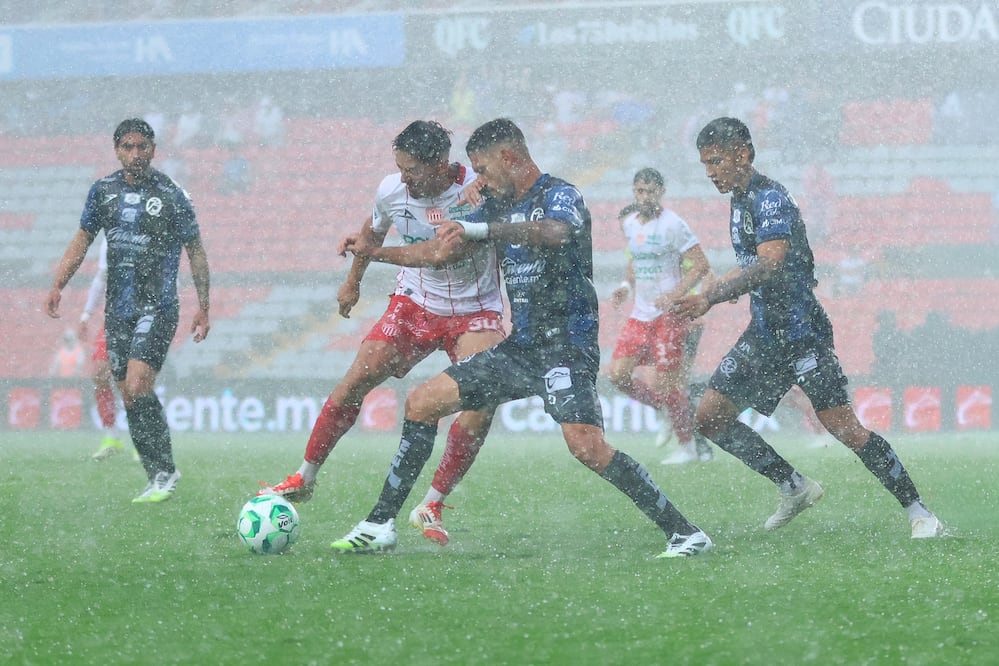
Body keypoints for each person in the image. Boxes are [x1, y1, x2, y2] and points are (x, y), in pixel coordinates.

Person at [330, 118, 712, 559]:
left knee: (587, 447)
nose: (480, 180)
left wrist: (483, 227)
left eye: (484, 170)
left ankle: (685, 533)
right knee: (420, 403)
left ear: (509, 158)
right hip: (520, 348)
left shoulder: (560, 195)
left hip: (566, 349)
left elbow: (556, 233)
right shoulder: (493, 204)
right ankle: (380, 524)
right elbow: (440, 251)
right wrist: (374, 253)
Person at [673, 117, 942, 538]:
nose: (710, 172)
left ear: (742, 154)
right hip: (764, 335)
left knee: (844, 428)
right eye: (705, 163)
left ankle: (919, 512)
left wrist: (712, 294)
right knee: (709, 417)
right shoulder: (740, 200)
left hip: (801, 334)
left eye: (716, 161)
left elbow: (771, 261)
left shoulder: (770, 198)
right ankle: (793, 486)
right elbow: (758, 269)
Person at [258, 120, 505, 548]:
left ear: (440, 164)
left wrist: (373, 253)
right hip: (416, 302)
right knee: (356, 378)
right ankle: (305, 476)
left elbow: (438, 253)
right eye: (400, 168)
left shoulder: (476, 189)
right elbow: (372, 230)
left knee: (481, 405)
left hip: (475, 309)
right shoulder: (391, 190)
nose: (405, 178)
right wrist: (353, 281)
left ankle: (433, 503)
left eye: (412, 170)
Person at [46, 118, 211, 503]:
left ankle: (166, 472)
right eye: (128, 147)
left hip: (158, 305)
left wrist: (204, 305)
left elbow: (196, 249)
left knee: (137, 385)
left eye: (142, 147)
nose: (135, 154)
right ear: (117, 150)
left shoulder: (171, 194)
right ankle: (157, 473)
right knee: (129, 394)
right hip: (117, 310)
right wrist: (58, 284)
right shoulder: (102, 191)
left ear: (153, 149)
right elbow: (82, 240)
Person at [607, 167, 712, 465]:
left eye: (650, 191)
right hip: (640, 315)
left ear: (661, 192)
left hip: (669, 316)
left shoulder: (674, 224)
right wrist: (626, 286)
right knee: (617, 374)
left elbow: (701, 265)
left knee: (668, 385)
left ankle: (688, 447)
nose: (645, 196)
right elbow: (636, 263)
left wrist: (675, 294)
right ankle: (666, 411)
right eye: (640, 191)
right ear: (633, 192)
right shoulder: (629, 224)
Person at [78, 235, 132, 461]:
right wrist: (86, 314)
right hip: (114, 318)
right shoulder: (112, 236)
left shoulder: (151, 230)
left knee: (135, 381)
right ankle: (112, 436)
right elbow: (102, 276)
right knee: (100, 373)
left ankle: (144, 440)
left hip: (145, 318)